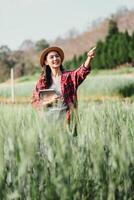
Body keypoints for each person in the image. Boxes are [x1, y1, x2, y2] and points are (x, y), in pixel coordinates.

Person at [31, 46, 96, 132]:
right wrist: (50, 101)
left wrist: (89, 58)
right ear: (46, 62)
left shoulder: (69, 77)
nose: (55, 58)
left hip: (68, 122)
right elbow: (35, 102)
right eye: (51, 57)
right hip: (49, 123)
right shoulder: (42, 82)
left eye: (57, 56)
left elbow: (81, 72)